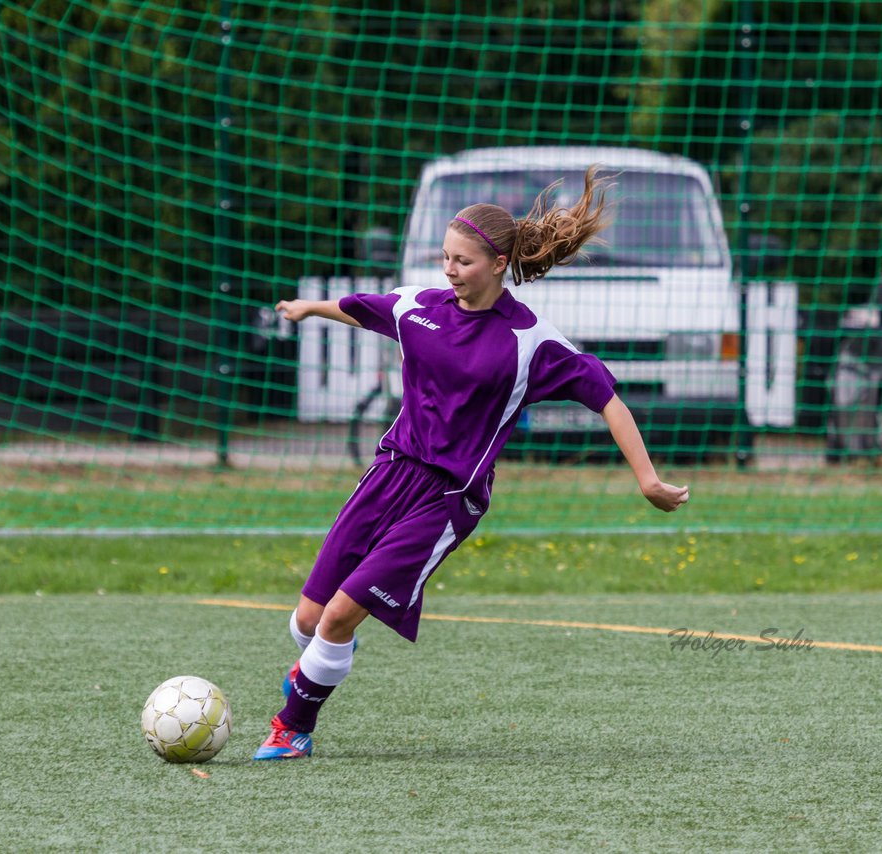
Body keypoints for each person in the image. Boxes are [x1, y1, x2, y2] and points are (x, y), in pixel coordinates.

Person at [253, 166, 690, 760]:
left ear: (499, 263)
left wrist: (647, 479)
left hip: (447, 499)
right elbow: (361, 308)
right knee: (306, 622)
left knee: (334, 620)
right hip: (388, 474)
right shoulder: (419, 307)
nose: (450, 271)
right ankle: (324, 661)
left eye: (463, 261)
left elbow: (607, 398)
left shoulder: (531, 340)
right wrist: (308, 306)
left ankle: (292, 727)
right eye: (445, 258)